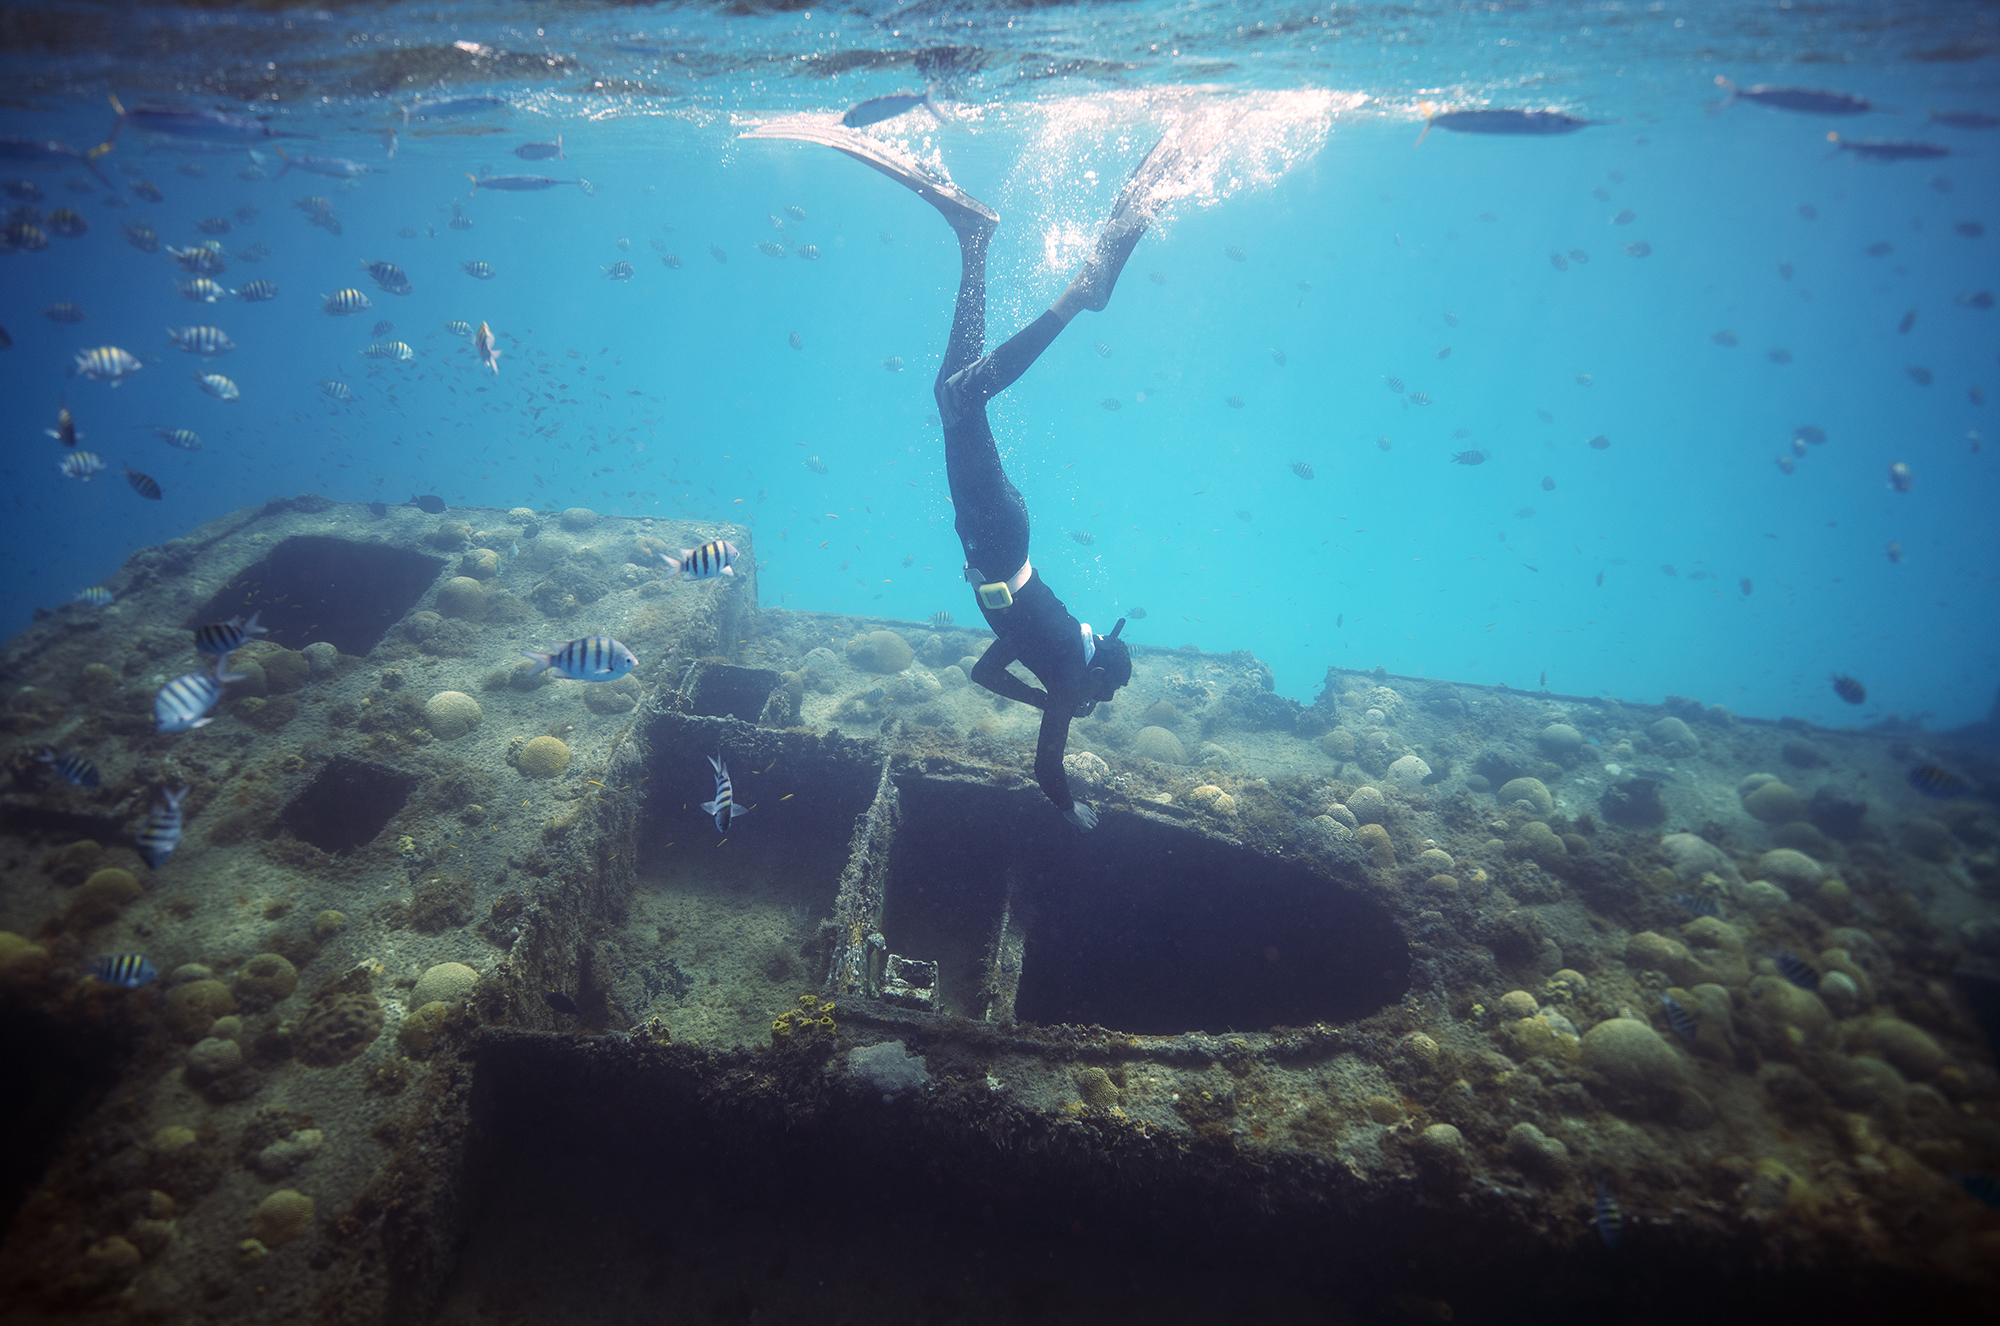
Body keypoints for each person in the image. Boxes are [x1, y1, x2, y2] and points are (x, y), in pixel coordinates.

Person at [749, 120, 1183, 829]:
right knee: (963, 395)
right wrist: (1069, 808)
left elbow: (983, 673)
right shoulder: (1068, 674)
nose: (1094, 703)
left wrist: (1040, 699)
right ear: (1099, 673)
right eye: (1103, 695)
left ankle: (974, 239)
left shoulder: (1053, 653)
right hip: (996, 536)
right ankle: (1078, 295)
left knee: (953, 392)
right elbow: (1046, 767)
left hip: (999, 533)